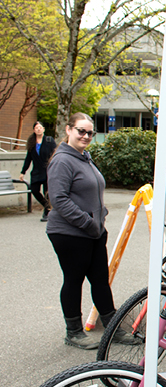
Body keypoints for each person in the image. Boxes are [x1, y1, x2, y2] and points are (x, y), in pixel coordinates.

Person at [46, 113, 126, 349]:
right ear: (69, 130)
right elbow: (58, 200)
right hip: (70, 233)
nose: (86, 136)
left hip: (92, 232)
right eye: (81, 131)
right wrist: (89, 221)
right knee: (74, 280)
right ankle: (74, 332)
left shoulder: (83, 158)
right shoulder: (62, 160)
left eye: (90, 132)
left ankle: (113, 330)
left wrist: (100, 215)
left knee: (100, 281)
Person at [20, 121, 56, 222]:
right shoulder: (32, 143)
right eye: (36, 128)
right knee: (34, 190)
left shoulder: (49, 141)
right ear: (34, 130)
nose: (38, 129)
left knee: (47, 192)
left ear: (43, 129)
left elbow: (55, 154)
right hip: (36, 171)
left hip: (48, 170)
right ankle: (47, 206)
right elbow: (28, 158)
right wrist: (23, 172)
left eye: (40, 127)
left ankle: (47, 212)